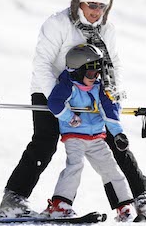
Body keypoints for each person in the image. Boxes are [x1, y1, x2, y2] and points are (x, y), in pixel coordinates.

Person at [0, 0, 146, 221]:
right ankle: (13, 199)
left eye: (102, 6)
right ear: (78, 2)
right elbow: (42, 65)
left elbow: (113, 63)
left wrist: (111, 97)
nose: (97, 11)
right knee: (46, 141)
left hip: (92, 92)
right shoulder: (58, 23)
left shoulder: (107, 29)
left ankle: (141, 199)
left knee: (116, 140)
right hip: (50, 89)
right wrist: (59, 100)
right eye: (91, 4)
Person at [44, 43, 135, 222]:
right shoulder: (68, 86)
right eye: (91, 73)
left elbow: (109, 109)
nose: (96, 77)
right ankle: (60, 205)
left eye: (98, 72)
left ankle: (123, 206)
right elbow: (54, 103)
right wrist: (69, 117)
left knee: (110, 168)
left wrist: (118, 134)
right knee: (75, 166)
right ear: (77, 71)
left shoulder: (99, 87)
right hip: (75, 135)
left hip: (96, 138)